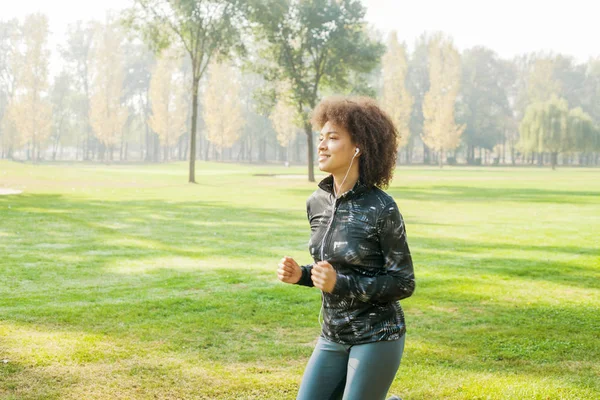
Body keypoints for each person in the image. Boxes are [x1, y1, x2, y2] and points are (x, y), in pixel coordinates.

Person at [277, 96, 416, 400]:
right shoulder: (316, 203)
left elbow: (403, 282)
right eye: (321, 137)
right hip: (333, 335)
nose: (322, 145)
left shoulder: (382, 208)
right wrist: (300, 274)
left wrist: (341, 283)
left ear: (358, 147)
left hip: (376, 335)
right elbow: (332, 267)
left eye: (333, 137)